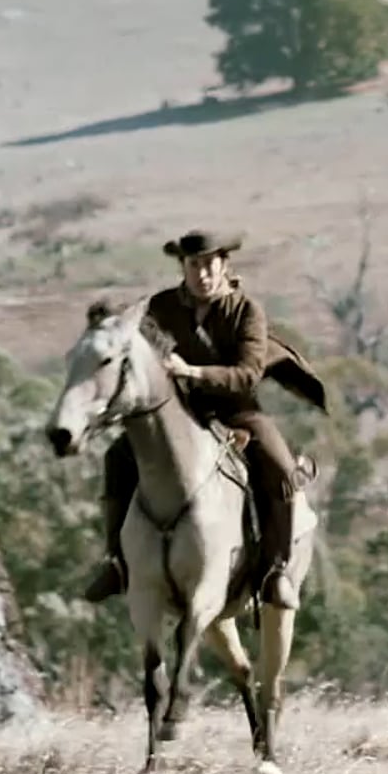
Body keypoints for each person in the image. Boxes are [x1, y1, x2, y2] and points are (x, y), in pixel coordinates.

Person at [79, 229, 329, 609]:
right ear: (183, 267)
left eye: (210, 264)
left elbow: (247, 374)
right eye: (194, 264)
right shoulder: (161, 306)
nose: (202, 273)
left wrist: (193, 372)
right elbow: (136, 344)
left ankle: (275, 570)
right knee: (117, 458)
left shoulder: (246, 311)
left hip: (238, 409)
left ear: (224, 265)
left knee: (280, 469)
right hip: (179, 410)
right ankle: (116, 561)